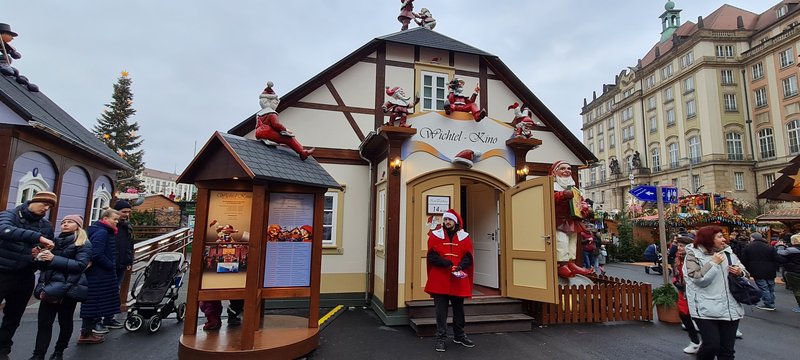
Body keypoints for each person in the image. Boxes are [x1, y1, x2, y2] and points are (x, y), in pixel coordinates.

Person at [0, 192, 57, 360]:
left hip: (25, 275)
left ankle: (3, 350)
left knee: (13, 317)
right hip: (2, 271)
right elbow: (4, 230)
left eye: (50, 207)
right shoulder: (9, 215)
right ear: (34, 200)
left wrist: (41, 255)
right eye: (45, 204)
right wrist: (37, 237)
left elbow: (46, 250)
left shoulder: (46, 225)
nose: (46, 208)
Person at [31, 214, 94, 358]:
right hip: (50, 287)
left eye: (70, 222)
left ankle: (59, 351)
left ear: (77, 225)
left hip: (69, 288)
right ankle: (38, 355)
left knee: (65, 322)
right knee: (44, 323)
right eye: (63, 222)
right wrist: (37, 257)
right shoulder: (54, 242)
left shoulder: (83, 243)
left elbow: (80, 265)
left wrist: (54, 258)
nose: (65, 224)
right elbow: (44, 266)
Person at [684, 225, 748, 360]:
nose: (724, 239)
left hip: (730, 307)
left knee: (727, 351)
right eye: (719, 237)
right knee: (711, 345)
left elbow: (745, 272)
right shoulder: (693, 254)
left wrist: (739, 272)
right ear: (708, 239)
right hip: (705, 308)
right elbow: (699, 279)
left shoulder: (728, 252)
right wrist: (713, 263)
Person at [424, 209, 475, 352]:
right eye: (445, 219)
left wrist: (460, 266)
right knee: (441, 312)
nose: (447, 222)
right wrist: (446, 263)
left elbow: (468, 257)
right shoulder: (435, 236)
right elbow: (432, 257)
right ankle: (441, 338)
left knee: (459, 310)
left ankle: (459, 336)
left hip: (458, 280)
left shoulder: (465, 237)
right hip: (439, 280)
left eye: (450, 220)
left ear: (456, 221)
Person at [79, 209, 121, 343]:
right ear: (105, 218)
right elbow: (96, 253)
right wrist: (110, 265)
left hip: (97, 273)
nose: (116, 222)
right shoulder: (102, 232)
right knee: (95, 301)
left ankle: (87, 331)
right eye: (114, 219)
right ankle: (86, 333)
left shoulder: (98, 230)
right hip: (99, 274)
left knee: (94, 301)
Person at [551, 161, 592, 278]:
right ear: (554, 172)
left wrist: (584, 207)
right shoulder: (552, 186)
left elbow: (581, 201)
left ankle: (571, 262)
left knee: (572, 242)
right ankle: (562, 264)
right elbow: (548, 198)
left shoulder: (574, 188)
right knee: (561, 241)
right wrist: (562, 195)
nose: (566, 171)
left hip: (571, 220)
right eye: (563, 168)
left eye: (569, 169)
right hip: (558, 220)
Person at [254, 82, 314, 160]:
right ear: (270, 102)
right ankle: (302, 152)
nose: (276, 104)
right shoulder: (272, 113)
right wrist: (285, 130)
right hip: (267, 132)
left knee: (283, 136)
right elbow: (276, 125)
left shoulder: (259, 114)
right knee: (288, 139)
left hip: (259, 133)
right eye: (275, 102)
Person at [102, 200, 134, 330]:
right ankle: (98, 320)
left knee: (115, 291)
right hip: (109, 263)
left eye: (128, 212)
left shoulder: (127, 226)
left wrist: (129, 261)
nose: (126, 214)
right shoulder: (109, 227)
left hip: (121, 263)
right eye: (123, 212)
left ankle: (109, 317)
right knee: (105, 291)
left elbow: (129, 245)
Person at [672, 233, 701, 354]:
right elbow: (676, 273)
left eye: (682, 246)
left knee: (700, 316)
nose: (679, 248)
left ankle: (705, 341)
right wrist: (676, 282)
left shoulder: (695, 258)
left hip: (695, 292)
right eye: (679, 245)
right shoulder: (678, 258)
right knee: (684, 314)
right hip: (683, 292)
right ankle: (695, 341)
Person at [741, 232, 780, 311]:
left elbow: (744, 260)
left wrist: (746, 269)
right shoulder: (770, 247)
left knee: (763, 287)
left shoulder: (748, 247)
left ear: (753, 238)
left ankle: (769, 304)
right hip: (770, 270)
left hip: (756, 270)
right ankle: (771, 302)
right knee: (770, 287)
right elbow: (777, 258)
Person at [776, 234, 800, 312]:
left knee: (797, 290)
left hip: (794, 272)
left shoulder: (791, 250)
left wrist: (780, 246)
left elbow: (779, 253)